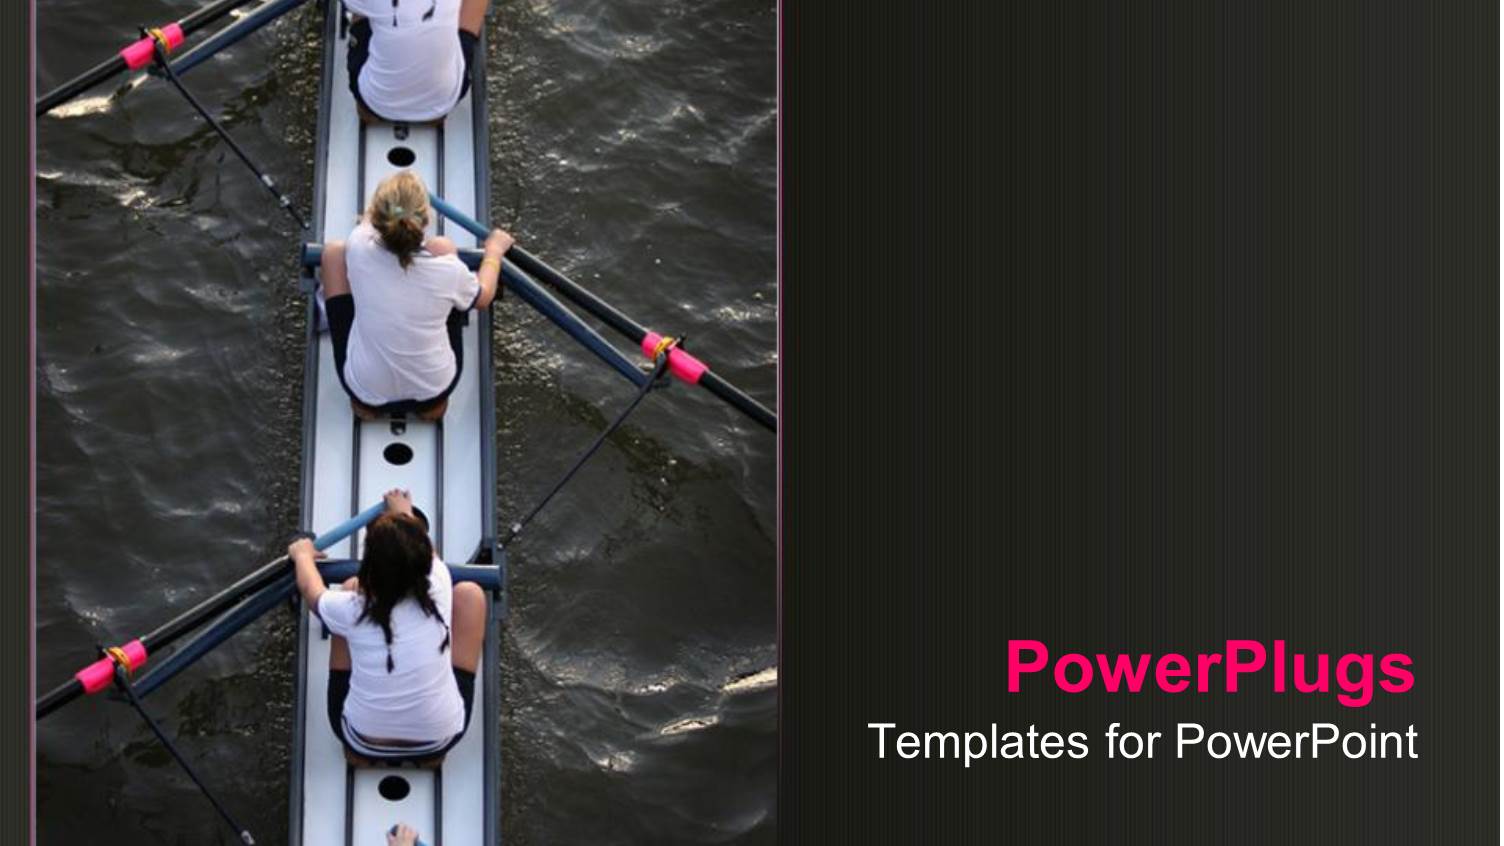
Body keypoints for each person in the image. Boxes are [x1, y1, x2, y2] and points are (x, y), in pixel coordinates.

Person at [290, 489, 489, 765]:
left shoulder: (352, 607)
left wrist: (302, 555)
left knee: (350, 587)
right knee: (471, 595)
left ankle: (356, 757)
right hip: (439, 740)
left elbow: (311, 590)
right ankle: (433, 759)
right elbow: (424, 550)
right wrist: (402, 510)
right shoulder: (439, 579)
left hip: (362, 739)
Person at [320, 170, 512, 421]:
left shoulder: (358, 245)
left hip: (366, 390)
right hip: (433, 389)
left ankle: (364, 410)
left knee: (333, 253)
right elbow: (484, 296)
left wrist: (386, 201)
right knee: (444, 246)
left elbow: (368, 220)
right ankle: (432, 411)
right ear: (426, 220)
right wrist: (494, 251)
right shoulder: (449, 272)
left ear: (377, 217)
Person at [344, 0, 491, 124]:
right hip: (444, 102)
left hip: (375, 103)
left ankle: (367, 114)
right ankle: (433, 117)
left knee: (361, 13)